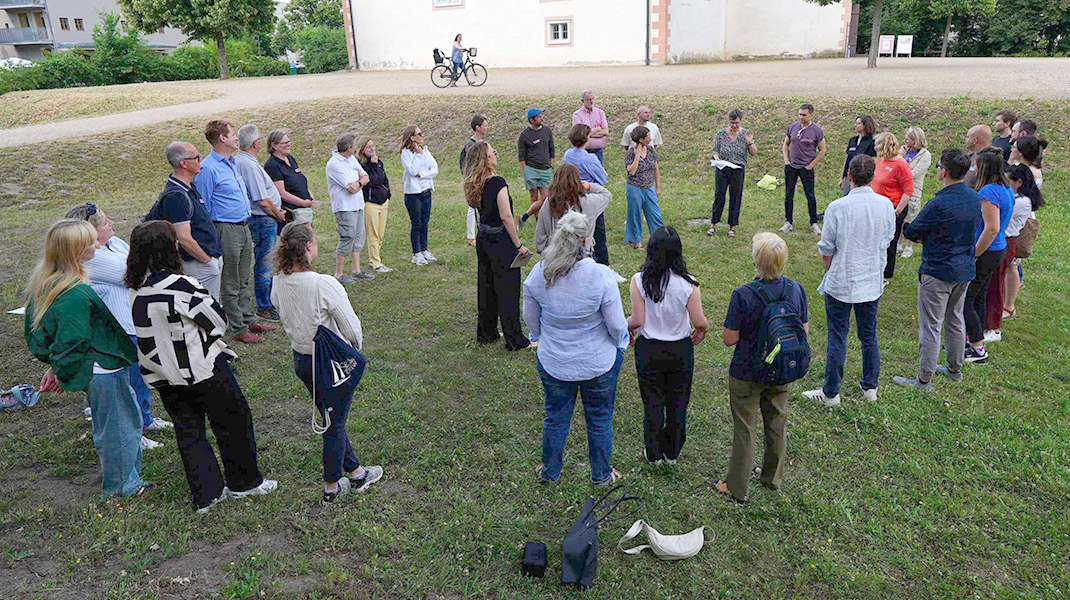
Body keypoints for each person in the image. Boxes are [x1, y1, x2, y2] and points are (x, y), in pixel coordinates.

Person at [126, 220, 277, 513]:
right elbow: (217, 323)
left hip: (163, 375)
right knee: (233, 421)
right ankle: (244, 483)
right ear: (172, 249)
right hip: (202, 368)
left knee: (189, 430)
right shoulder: (182, 285)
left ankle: (206, 495)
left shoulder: (136, 290)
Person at [25, 220, 153, 498]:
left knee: (120, 422)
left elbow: (48, 332)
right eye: (90, 242)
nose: (96, 245)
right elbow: (72, 340)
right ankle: (123, 487)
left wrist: (54, 365)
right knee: (119, 427)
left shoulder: (52, 282)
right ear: (75, 250)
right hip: (103, 368)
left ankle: (126, 479)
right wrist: (61, 370)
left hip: (96, 366)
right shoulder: (76, 293)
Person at [271, 222, 383, 504]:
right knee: (335, 424)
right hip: (329, 363)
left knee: (331, 416)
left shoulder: (277, 281)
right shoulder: (322, 283)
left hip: (301, 360)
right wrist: (353, 351)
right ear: (308, 246)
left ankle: (356, 472)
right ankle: (332, 487)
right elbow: (351, 327)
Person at [523, 211, 629, 486]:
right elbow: (617, 325)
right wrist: (620, 345)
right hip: (598, 363)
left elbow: (531, 319)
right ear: (586, 241)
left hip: (554, 362)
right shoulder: (600, 275)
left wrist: (539, 337)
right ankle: (601, 475)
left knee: (556, 418)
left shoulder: (540, 272)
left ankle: (550, 472)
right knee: (599, 419)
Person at [65, 202, 171, 450]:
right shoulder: (92, 258)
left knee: (143, 379)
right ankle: (135, 433)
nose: (110, 222)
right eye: (104, 222)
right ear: (89, 231)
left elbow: (139, 270)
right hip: (120, 328)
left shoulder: (115, 243)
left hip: (135, 321)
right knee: (129, 385)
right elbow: (134, 276)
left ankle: (144, 419)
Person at [716, 232, 808, 503]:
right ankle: (771, 478)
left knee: (745, 429)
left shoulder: (743, 294)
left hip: (746, 371)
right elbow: (803, 331)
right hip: (781, 369)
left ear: (756, 262)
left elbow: (728, 339)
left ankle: (737, 488)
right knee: (777, 423)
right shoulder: (795, 290)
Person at [802, 155, 894, 407]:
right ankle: (869, 387)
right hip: (869, 278)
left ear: (850, 177)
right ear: (872, 177)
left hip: (843, 279)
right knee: (868, 334)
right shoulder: (885, 205)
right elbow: (886, 240)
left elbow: (827, 249)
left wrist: (830, 269)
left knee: (838, 336)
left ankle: (831, 393)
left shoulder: (837, 207)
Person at [892, 149, 982, 392]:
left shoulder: (938, 203)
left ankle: (924, 379)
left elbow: (912, 231)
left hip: (938, 271)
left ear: (943, 172)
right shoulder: (975, 198)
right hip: (964, 269)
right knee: (955, 318)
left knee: (931, 325)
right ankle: (955, 368)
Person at [626, 226, 708, 465]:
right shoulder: (688, 283)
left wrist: (625, 324)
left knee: (652, 401)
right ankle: (672, 452)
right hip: (679, 350)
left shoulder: (639, 281)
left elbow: (637, 320)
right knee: (678, 402)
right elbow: (699, 321)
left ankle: (653, 454)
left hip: (649, 349)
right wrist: (704, 329)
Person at [194, 120, 276, 344]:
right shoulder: (209, 168)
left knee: (243, 278)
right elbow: (204, 207)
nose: (236, 138)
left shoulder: (231, 163)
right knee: (230, 281)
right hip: (225, 229)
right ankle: (238, 328)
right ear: (221, 138)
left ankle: (249, 318)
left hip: (243, 226)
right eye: (232, 134)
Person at [463, 141, 532, 351]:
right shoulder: (497, 182)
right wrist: (518, 244)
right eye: (492, 151)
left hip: (483, 238)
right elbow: (506, 216)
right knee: (508, 290)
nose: (496, 152)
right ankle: (514, 338)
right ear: (486, 158)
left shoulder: (475, 183)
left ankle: (487, 333)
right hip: (501, 241)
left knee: (487, 287)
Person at [150, 141, 223, 300]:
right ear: (183, 163)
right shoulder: (176, 196)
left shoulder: (187, 188)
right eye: (196, 157)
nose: (200, 160)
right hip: (198, 264)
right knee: (205, 310)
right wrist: (208, 262)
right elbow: (184, 238)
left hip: (205, 261)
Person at [962, 149, 1013, 363]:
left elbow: (991, 228)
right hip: (997, 249)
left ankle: (977, 349)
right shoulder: (1006, 188)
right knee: (979, 297)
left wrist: (974, 253)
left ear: (983, 168)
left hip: (987, 251)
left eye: (976, 165)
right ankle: (974, 337)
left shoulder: (989, 192)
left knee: (965, 300)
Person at [235, 124, 287, 322]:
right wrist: (277, 214)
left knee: (266, 261)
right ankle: (265, 306)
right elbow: (261, 199)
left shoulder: (245, 161)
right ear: (255, 143)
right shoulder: (247, 164)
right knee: (265, 262)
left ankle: (268, 302)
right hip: (263, 219)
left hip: (264, 217)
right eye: (259, 138)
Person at [561, 123, 619, 279]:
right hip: (588, 195)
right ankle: (604, 266)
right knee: (598, 231)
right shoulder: (590, 158)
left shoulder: (568, 154)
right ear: (586, 138)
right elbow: (603, 177)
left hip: (570, 196)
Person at [534, 163, 612, 256]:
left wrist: (544, 253)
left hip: (555, 256)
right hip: (582, 255)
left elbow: (540, 234)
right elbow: (606, 194)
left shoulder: (550, 202)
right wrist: (589, 186)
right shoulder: (588, 202)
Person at [326, 133, 373, 283]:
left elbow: (365, 177)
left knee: (359, 236)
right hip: (345, 207)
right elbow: (349, 187)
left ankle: (356, 270)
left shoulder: (352, 159)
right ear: (349, 148)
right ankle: (338, 274)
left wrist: (359, 182)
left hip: (358, 204)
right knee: (347, 236)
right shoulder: (334, 164)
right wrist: (360, 182)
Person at [999, 164, 1043, 322]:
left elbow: (1004, 214)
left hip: (1009, 238)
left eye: (1008, 180)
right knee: (1010, 268)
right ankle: (1005, 304)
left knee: (1010, 269)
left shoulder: (1021, 201)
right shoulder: (1018, 198)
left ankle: (1008, 306)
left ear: (1019, 182)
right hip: (1007, 238)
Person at [869, 132, 914, 282]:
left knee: (889, 242)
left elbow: (908, 190)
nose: (874, 147)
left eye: (877, 144)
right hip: (877, 206)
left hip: (893, 208)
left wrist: (897, 211)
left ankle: (886, 274)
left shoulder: (900, 164)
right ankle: (875, 267)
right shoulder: (882, 160)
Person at [708, 108, 757, 237]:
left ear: (741, 121)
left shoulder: (745, 134)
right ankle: (713, 223)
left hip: (738, 169)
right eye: (732, 123)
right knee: (719, 196)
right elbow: (715, 150)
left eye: (736, 123)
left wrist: (749, 141)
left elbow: (753, 153)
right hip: (723, 168)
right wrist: (716, 157)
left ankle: (732, 226)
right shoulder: (721, 133)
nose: (734, 126)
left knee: (735, 197)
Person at [780, 103, 826, 235]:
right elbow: (786, 143)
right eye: (800, 114)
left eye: (804, 115)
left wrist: (811, 165)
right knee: (789, 194)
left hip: (806, 167)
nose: (801, 117)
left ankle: (813, 222)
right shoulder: (793, 127)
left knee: (810, 195)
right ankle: (788, 222)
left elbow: (822, 150)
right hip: (792, 167)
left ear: (811, 115)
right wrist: (786, 161)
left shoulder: (817, 130)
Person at [399, 125, 439, 266]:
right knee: (417, 223)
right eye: (419, 134)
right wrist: (417, 154)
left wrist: (422, 175)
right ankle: (416, 253)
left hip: (426, 191)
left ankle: (424, 250)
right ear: (412, 137)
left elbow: (434, 169)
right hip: (413, 194)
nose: (422, 136)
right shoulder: (406, 153)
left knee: (425, 222)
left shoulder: (425, 151)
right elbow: (412, 170)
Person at [264, 129, 316, 230]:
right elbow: (281, 193)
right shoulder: (272, 165)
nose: (289, 145)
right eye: (285, 143)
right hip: (291, 213)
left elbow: (299, 179)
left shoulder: (290, 158)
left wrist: (309, 195)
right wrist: (302, 202)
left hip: (304, 211)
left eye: (289, 142)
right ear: (274, 145)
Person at [624, 126, 664, 249]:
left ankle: (659, 239)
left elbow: (655, 169)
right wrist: (637, 156)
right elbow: (632, 171)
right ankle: (637, 242)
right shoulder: (630, 153)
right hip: (634, 187)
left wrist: (657, 187)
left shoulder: (651, 151)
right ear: (641, 139)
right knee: (634, 214)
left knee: (654, 213)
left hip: (648, 187)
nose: (650, 139)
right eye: (648, 137)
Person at [357, 137, 392, 274]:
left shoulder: (378, 162)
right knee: (373, 233)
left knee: (381, 233)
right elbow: (372, 180)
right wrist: (373, 165)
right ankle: (376, 263)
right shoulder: (362, 165)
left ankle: (374, 257)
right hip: (371, 203)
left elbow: (384, 179)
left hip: (383, 201)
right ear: (362, 150)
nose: (372, 149)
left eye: (373, 146)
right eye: (369, 147)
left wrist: (387, 193)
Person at [897, 126, 932, 259]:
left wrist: (899, 175)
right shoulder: (904, 152)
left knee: (910, 216)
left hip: (913, 188)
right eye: (906, 136)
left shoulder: (925, 155)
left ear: (916, 140)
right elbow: (896, 164)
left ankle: (908, 246)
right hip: (899, 187)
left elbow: (915, 173)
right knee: (899, 214)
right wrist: (900, 155)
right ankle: (898, 244)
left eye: (910, 138)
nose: (906, 139)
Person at [517, 108, 554, 227]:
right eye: (539, 117)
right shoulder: (524, 135)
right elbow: (521, 156)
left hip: (545, 169)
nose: (542, 118)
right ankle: (539, 223)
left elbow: (551, 149)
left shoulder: (547, 131)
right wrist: (525, 171)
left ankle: (524, 217)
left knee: (546, 197)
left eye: (541, 116)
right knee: (533, 197)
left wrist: (551, 165)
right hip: (531, 169)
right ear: (531, 120)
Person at [459, 115, 489, 246]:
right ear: (477, 127)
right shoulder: (470, 144)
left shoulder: (484, 142)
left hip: (484, 177)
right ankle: (471, 236)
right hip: (474, 178)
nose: (487, 128)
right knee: (472, 207)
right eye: (485, 125)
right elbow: (471, 162)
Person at [839, 115, 876, 196]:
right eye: (855, 123)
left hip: (862, 177)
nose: (855, 125)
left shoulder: (871, 142)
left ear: (865, 125)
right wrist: (842, 177)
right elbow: (847, 159)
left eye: (858, 123)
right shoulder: (852, 140)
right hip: (850, 175)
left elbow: (874, 160)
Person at [571, 90, 609, 163]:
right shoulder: (577, 115)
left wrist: (588, 134)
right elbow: (579, 134)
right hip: (584, 151)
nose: (591, 102)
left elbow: (605, 131)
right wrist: (598, 129)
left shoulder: (600, 112)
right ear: (582, 101)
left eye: (592, 99)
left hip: (598, 151)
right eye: (589, 100)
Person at [962, 124, 993, 188]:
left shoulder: (990, 160)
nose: (965, 140)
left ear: (975, 140)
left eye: (967, 137)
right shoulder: (969, 157)